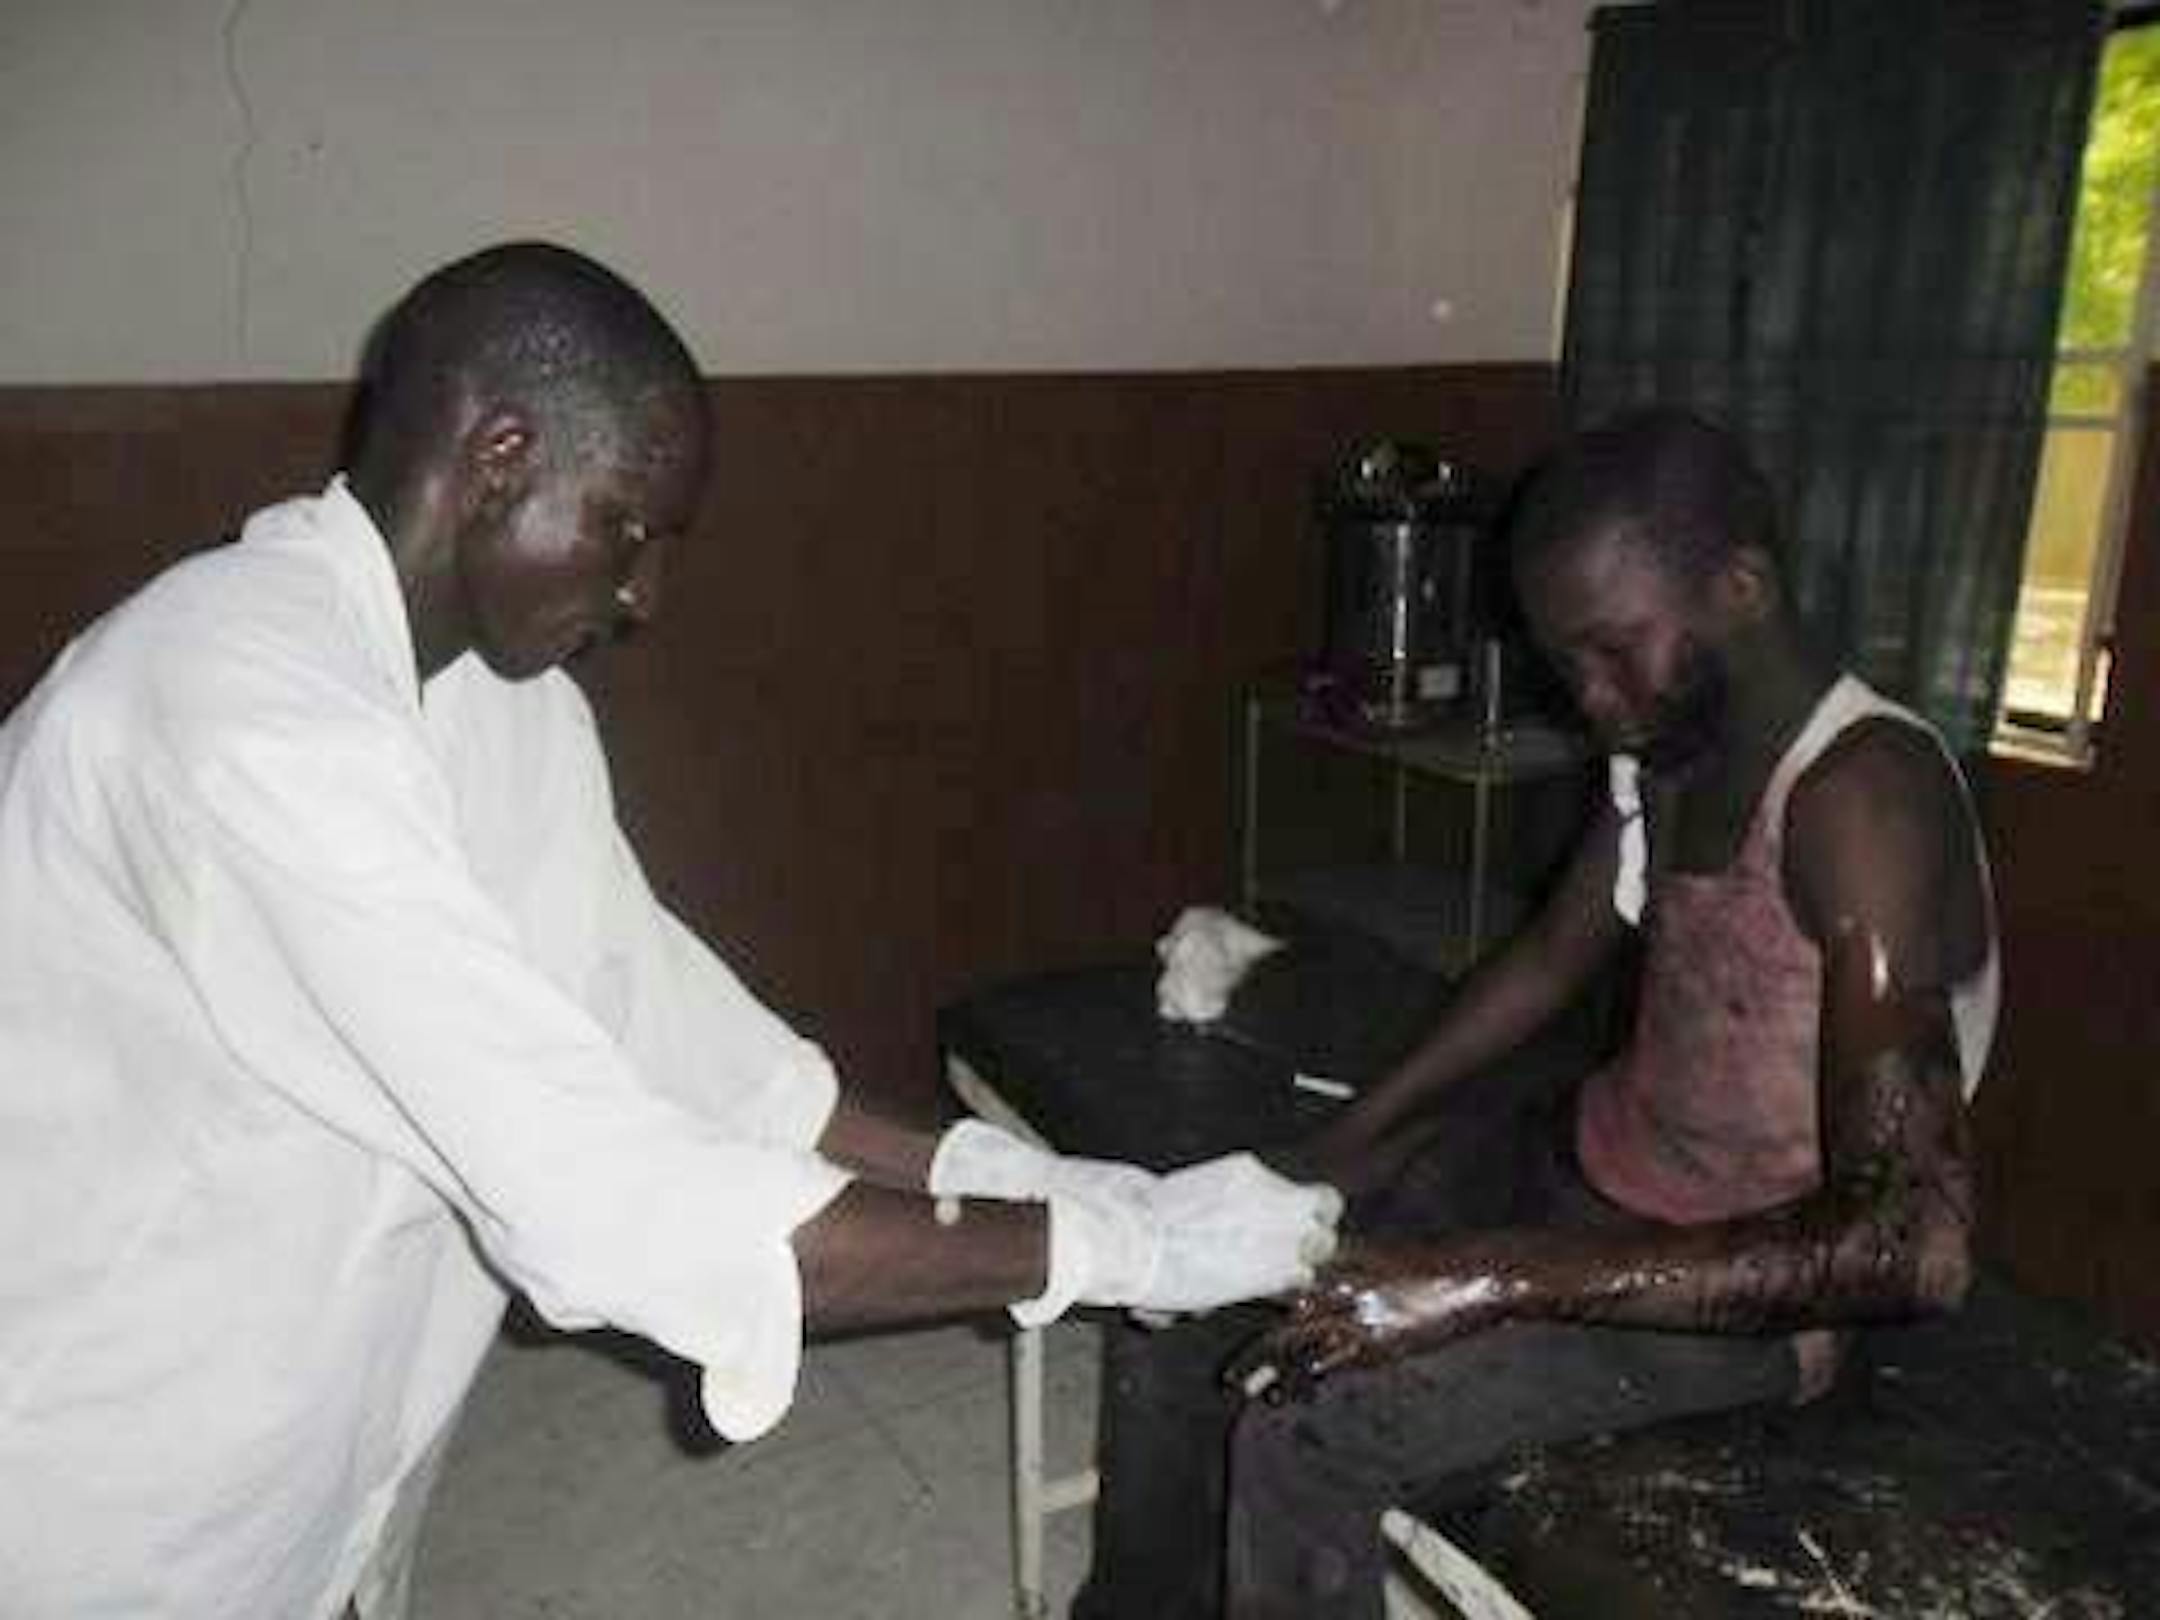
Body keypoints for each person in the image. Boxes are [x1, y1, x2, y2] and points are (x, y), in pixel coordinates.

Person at [0, 242, 1338, 1620]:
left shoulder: (498, 705)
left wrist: (1000, 1170)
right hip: (96, 1484)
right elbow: (606, 1191)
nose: (644, 596)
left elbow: (673, 1036)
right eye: (629, 526)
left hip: (304, 1465)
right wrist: (1123, 1253)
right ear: (502, 454)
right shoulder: (236, 712)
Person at [1075, 407, 1999, 1619]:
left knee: (1305, 1424)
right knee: (1189, 1297)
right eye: (1574, 669)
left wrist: (1484, 1278)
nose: (1598, 705)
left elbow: (1906, 1247)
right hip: (1587, 1176)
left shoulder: (1865, 798)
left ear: (1743, 585)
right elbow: (1549, 963)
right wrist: (1330, 1154)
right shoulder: (1671, 747)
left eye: (1616, 654)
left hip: (1739, 1290)